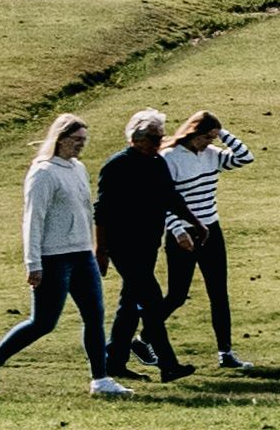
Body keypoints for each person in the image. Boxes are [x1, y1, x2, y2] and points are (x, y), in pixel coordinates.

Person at [0, 117, 101, 393]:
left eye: (84, 140)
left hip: (81, 253)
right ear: (61, 138)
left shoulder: (78, 168)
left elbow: (85, 211)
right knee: (43, 323)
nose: (81, 145)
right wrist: (33, 263)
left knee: (95, 316)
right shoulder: (43, 172)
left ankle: (100, 379)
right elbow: (33, 220)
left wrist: (93, 246)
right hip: (54, 257)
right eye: (76, 139)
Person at [91, 106, 192, 387]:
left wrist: (195, 222)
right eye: (154, 138)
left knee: (129, 304)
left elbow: (170, 197)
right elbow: (102, 210)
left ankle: (114, 362)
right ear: (135, 138)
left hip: (149, 244)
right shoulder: (117, 166)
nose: (160, 144)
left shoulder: (157, 163)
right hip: (124, 247)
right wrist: (101, 250)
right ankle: (168, 365)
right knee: (151, 301)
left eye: (161, 138)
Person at [156, 107, 252, 374]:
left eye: (213, 138)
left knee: (218, 293)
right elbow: (163, 201)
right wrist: (178, 230)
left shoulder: (212, 155)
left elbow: (245, 157)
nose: (209, 143)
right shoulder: (170, 157)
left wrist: (222, 133)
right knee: (176, 295)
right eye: (206, 137)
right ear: (193, 132)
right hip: (183, 233)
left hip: (211, 229)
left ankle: (226, 352)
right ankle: (143, 337)